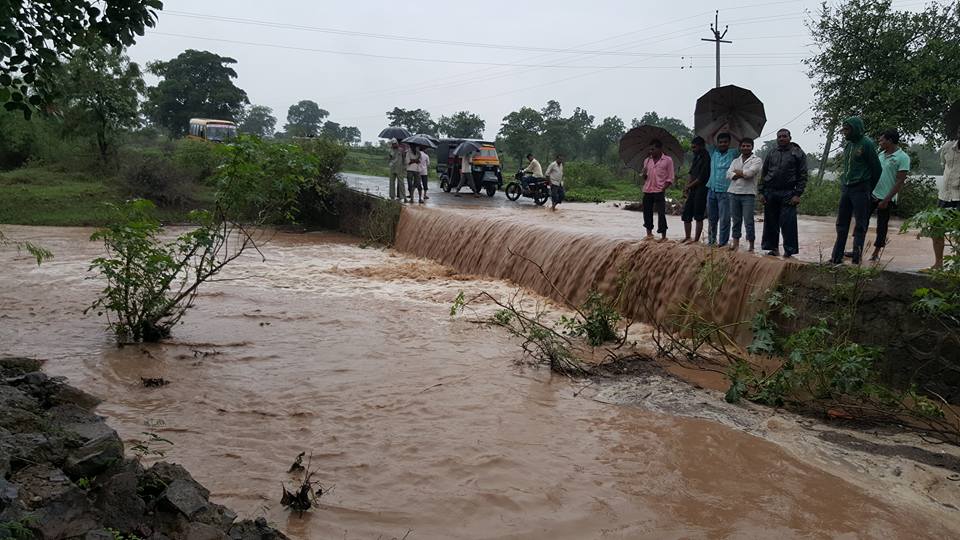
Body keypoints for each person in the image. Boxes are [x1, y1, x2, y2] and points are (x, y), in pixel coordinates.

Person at [829, 117, 882, 265]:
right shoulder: (848, 145)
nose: (844, 132)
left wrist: (868, 188)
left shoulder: (867, 144)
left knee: (860, 224)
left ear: (856, 128)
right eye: (843, 129)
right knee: (841, 224)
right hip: (847, 187)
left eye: (847, 129)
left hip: (861, 188)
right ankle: (836, 257)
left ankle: (856, 258)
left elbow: (877, 169)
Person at [759, 129, 807, 258]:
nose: (781, 138)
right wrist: (761, 192)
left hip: (788, 192)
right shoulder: (772, 153)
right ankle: (773, 248)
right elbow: (764, 173)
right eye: (779, 137)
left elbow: (803, 175)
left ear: (790, 137)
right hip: (771, 191)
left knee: (788, 223)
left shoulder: (797, 153)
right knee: (770, 222)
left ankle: (789, 250)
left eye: (784, 136)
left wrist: (798, 194)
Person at [866, 129, 909, 262]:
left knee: (882, 226)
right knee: (862, 221)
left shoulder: (903, 158)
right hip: (873, 194)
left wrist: (886, 199)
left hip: (887, 197)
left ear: (890, 141)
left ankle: (876, 253)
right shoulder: (881, 155)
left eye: (881, 140)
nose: (880, 142)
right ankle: (858, 249)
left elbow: (900, 181)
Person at [929, 126, 960, 270]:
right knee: (936, 229)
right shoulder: (947, 146)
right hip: (945, 195)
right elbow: (944, 166)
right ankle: (938, 263)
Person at [726, 137, 763, 252]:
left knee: (748, 220)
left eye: (748, 146)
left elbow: (750, 173)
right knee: (736, 220)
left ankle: (751, 245)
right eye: (743, 146)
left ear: (752, 147)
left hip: (748, 194)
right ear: (740, 147)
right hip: (733, 192)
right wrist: (740, 174)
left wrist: (738, 173)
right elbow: (728, 174)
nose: (745, 148)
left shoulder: (756, 160)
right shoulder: (735, 160)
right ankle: (735, 243)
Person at [706, 133, 738, 247]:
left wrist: (730, 128)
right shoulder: (713, 153)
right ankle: (711, 241)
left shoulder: (733, 153)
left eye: (725, 142)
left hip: (725, 191)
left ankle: (723, 243)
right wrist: (720, 128)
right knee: (712, 219)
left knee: (725, 219)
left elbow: (740, 144)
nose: (723, 144)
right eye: (720, 142)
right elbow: (708, 139)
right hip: (712, 190)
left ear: (729, 143)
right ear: (717, 143)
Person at [641, 140, 674, 240]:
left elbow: (670, 177)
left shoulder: (668, 160)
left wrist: (663, 188)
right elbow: (645, 178)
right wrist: (644, 173)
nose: (651, 151)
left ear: (660, 149)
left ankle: (663, 236)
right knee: (647, 212)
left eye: (653, 149)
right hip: (648, 190)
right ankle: (649, 234)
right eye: (650, 149)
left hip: (659, 190)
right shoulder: (647, 161)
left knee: (661, 214)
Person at [682, 136, 710, 244]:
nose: (693, 149)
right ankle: (687, 237)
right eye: (692, 147)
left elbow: (701, 178)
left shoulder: (706, 157)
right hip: (693, 188)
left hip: (702, 189)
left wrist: (689, 186)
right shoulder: (696, 157)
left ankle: (696, 239)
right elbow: (691, 173)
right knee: (686, 213)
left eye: (694, 147)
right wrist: (687, 186)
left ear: (701, 146)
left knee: (698, 215)